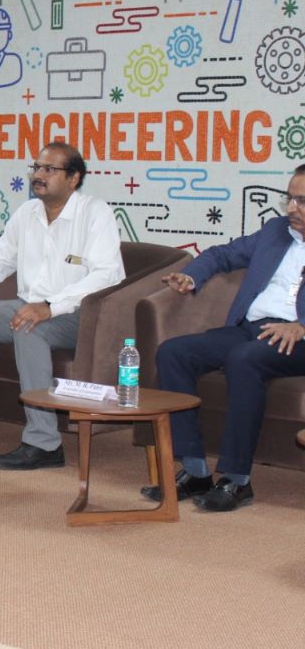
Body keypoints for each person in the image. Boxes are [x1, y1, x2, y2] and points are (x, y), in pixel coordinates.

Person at [0, 142, 124, 469]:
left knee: (28, 325)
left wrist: (50, 306)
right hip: (28, 306)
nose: (38, 175)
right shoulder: (27, 214)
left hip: (78, 315)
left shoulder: (95, 213)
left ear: (73, 178)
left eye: (49, 169)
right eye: (36, 167)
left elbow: (106, 275)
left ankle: (44, 443)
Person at [142, 164, 305, 512]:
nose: (292, 208)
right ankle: (195, 470)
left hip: (298, 338)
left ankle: (237, 479)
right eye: (289, 199)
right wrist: (191, 276)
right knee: (173, 353)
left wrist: (301, 325)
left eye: (302, 201)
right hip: (251, 329)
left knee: (244, 359)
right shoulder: (275, 231)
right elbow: (223, 254)